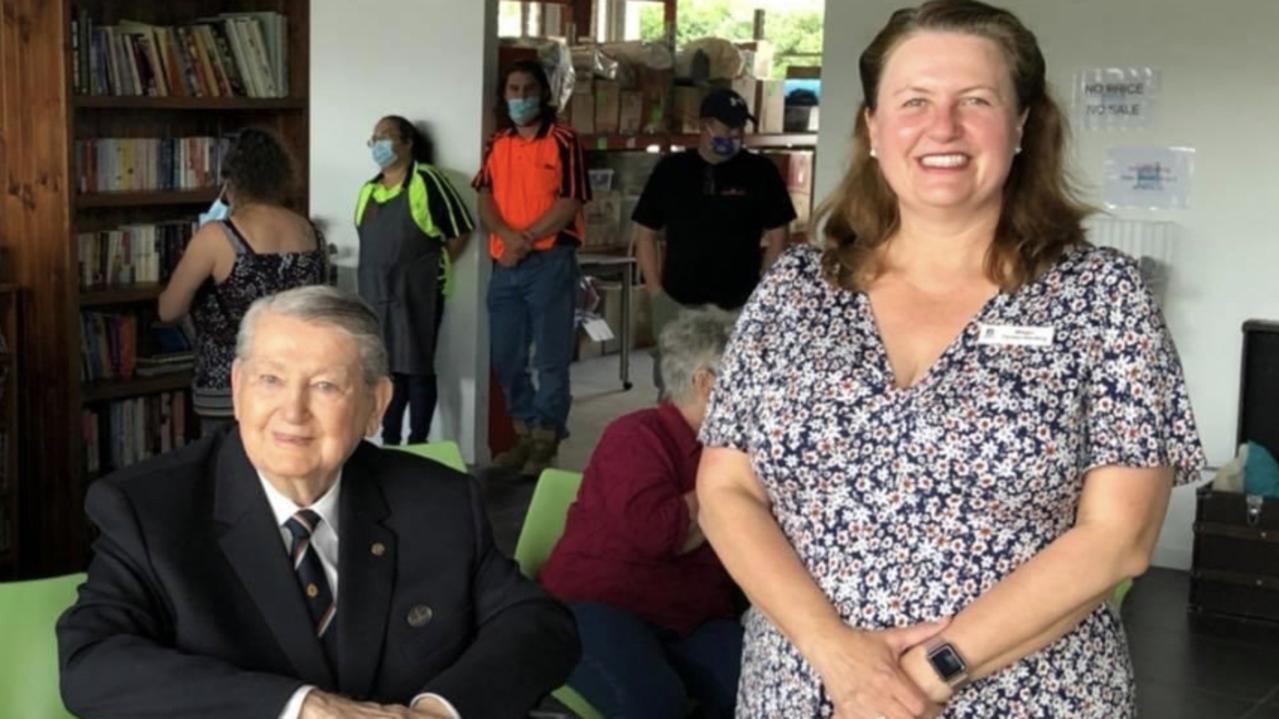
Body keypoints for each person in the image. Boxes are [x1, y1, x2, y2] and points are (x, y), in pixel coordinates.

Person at [695, 2, 1207, 718]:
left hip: (1028, 696)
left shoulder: (1101, 297)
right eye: (913, 102)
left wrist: (919, 678)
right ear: (873, 126)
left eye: (975, 101)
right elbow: (726, 490)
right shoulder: (794, 290)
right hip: (806, 687)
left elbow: (1118, 538)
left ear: (1022, 124)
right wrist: (840, 658)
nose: (942, 128)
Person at [59, 285, 580, 719]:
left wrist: (440, 710)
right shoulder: (148, 508)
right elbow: (92, 663)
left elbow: (536, 623)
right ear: (238, 389)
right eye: (270, 380)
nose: (293, 411)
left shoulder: (437, 500)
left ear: (376, 405)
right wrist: (299, 707)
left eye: (326, 386)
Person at [540, 307, 743, 718]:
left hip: (691, 613)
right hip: (600, 605)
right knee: (654, 704)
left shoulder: (730, 449)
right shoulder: (636, 436)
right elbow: (657, 534)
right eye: (748, 380)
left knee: (762, 691)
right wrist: (729, 481)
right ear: (706, 384)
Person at [159, 128, 327, 436]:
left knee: (226, 475)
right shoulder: (310, 232)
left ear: (231, 181)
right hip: (293, 383)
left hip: (228, 388)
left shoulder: (217, 236)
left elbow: (169, 311)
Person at [631, 88, 796, 394]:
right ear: (704, 125)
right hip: (679, 302)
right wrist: (655, 292)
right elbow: (646, 233)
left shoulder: (760, 173)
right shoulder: (672, 171)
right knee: (674, 392)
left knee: (734, 388)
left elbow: (778, 235)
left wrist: (764, 289)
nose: (734, 134)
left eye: (740, 128)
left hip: (739, 304)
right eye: (727, 127)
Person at [473, 59, 590, 476]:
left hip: (550, 262)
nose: (520, 97)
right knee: (506, 355)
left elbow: (569, 202)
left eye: (528, 89)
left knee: (551, 357)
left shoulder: (563, 140)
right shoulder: (498, 143)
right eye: (513, 90)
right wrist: (508, 237)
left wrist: (522, 240)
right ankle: (523, 432)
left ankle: (546, 439)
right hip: (506, 263)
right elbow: (484, 197)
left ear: (543, 93)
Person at [356, 115, 474, 446]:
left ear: (408, 143)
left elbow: (461, 229)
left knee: (417, 367)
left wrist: (433, 267)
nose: (378, 143)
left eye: (386, 136)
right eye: (374, 137)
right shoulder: (369, 190)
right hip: (377, 295)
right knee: (387, 370)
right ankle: (390, 440)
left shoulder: (427, 180)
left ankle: (418, 443)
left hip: (417, 293)